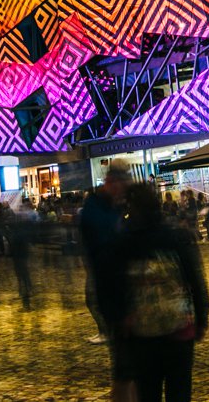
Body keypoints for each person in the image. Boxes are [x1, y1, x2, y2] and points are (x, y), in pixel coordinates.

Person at [111, 184, 209, 402]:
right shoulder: (175, 235)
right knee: (179, 390)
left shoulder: (127, 241)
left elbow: (118, 285)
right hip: (179, 328)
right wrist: (201, 318)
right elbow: (194, 278)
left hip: (143, 334)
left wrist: (121, 321)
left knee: (148, 391)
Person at [78, 162, 134, 400]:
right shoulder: (94, 211)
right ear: (111, 182)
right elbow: (106, 253)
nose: (124, 191)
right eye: (123, 185)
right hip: (113, 294)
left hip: (122, 291)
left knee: (131, 364)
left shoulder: (111, 207)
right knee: (124, 364)